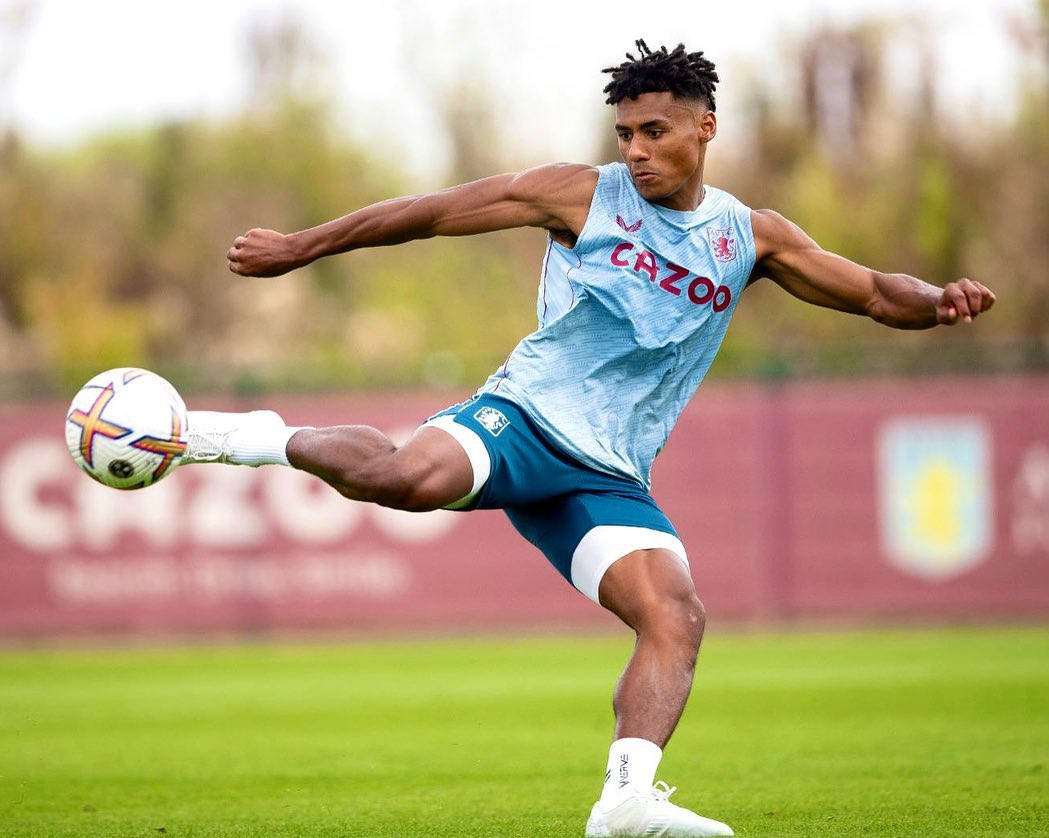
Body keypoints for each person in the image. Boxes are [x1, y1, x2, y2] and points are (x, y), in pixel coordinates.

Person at [184, 41, 996, 837]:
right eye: (624, 134)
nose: (635, 151)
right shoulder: (578, 196)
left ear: (704, 128)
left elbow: (876, 294)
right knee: (404, 480)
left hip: (608, 475)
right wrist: (301, 246)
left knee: (675, 615)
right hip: (526, 418)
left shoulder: (751, 236)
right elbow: (427, 214)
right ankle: (251, 438)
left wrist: (938, 299)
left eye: (654, 132)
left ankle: (625, 803)